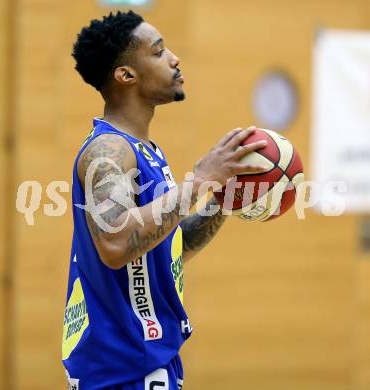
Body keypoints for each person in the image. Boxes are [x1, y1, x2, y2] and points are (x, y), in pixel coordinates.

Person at [62, 10, 267, 390]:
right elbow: (117, 243)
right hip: (122, 368)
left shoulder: (145, 151)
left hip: (148, 360)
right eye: (157, 52)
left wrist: (220, 199)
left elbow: (165, 246)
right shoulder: (108, 150)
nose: (173, 58)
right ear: (126, 75)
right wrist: (200, 179)